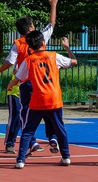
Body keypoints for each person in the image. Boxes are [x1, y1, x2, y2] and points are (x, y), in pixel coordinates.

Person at [0, 0, 60, 154]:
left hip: (23, 82)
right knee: (47, 111)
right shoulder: (41, 39)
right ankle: (52, 137)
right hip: (43, 83)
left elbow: (10, 62)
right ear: (31, 28)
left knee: (25, 115)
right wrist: (53, 5)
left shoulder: (18, 43)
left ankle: (30, 141)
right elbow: (52, 23)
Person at [7, 31, 77, 169]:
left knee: (28, 131)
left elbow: (18, 78)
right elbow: (74, 61)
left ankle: (20, 160)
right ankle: (66, 156)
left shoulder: (29, 60)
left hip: (38, 99)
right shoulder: (53, 56)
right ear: (43, 43)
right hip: (54, 98)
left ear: (30, 47)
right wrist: (67, 47)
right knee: (60, 128)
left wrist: (10, 84)